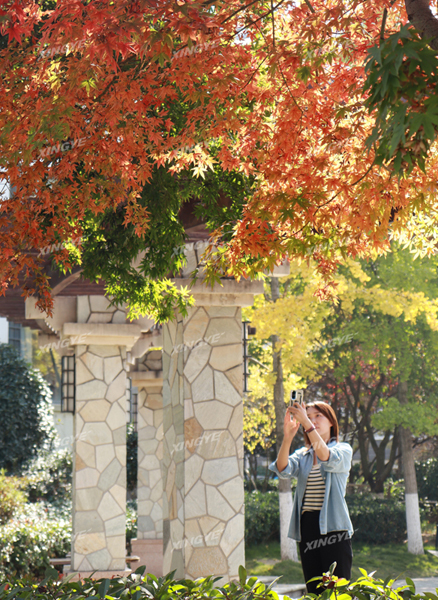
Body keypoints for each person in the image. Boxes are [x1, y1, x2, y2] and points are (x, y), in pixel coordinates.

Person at [269, 401, 353, 594]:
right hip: (308, 527)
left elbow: (326, 456)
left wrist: (307, 424)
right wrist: (288, 438)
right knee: (314, 590)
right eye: (309, 416)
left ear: (331, 421)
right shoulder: (303, 455)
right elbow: (282, 469)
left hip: (334, 528)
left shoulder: (343, 450)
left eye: (318, 416)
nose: (313, 420)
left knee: (336, 591)